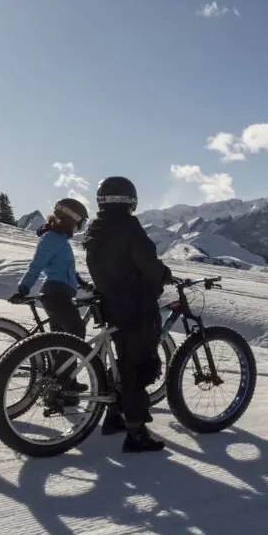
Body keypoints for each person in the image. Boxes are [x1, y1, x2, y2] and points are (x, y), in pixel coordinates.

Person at [82, 176, 172, 453]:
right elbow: (147, 262)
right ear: (131, 200)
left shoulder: (95, 227)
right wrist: (164, 275)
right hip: (134, 305)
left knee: (122, 361)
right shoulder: (129, 226)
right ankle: (136, 433)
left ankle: (114, 416)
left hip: (110, 303)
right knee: (138, 367)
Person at [10, 197, 95, 396]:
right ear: (70, 219)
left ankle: (62, 386)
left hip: (61, 294)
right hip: (55, 295)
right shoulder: (50, 239)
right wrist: (23, 288)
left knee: (60, 342)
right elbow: (36, 265)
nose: (79, 227)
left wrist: (84, 285)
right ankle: (61, 379)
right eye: (80, 222)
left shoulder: (59, 239)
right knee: (75, 330)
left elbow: (66, 270)